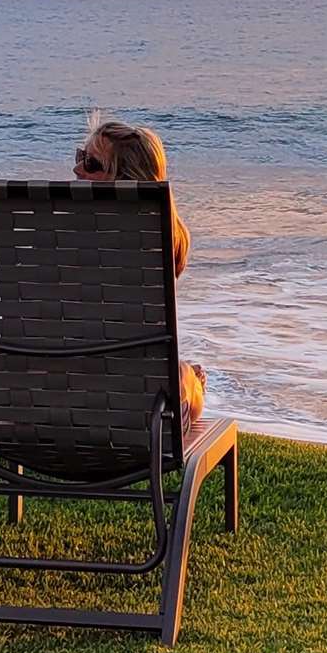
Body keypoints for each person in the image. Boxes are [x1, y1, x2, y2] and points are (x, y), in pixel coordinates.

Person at [70, 116, 207, 433]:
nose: (77, 170)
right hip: (134, 413)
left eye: (91, 163)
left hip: (42, 403)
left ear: (124, 181)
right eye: (80, 157)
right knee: (182, 377)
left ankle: (183, 375)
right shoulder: (152, 243)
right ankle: (188, 378)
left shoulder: (47, 235)